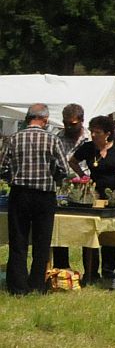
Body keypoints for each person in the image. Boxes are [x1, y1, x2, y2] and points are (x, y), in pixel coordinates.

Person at [2, 103, 72, 294]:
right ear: (45, 119)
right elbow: (64, 169)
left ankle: (17, 287)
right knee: (42, 242)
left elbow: (3, 168)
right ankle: (37, 285)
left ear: (28, 117)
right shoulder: (52, 140)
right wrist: (53, 179)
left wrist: (13, 178)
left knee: (18, 241)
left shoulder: (13, 139)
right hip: (44, 195)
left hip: (20, 193)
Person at [71, 115, 115, 277]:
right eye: (92, 131)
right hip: (99, 194)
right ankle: (104, 270)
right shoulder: (88, 148)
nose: (94, 135)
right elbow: (72, 161)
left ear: (108, 133)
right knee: (103, 231)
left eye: (97, 132)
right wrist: (83, 177)